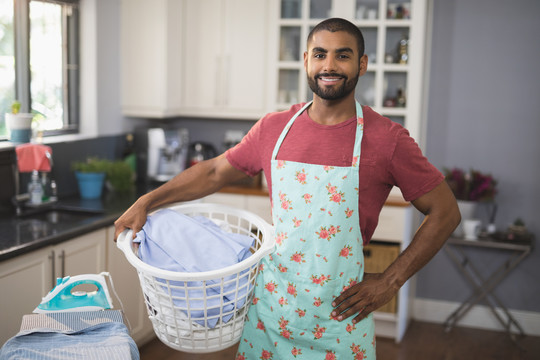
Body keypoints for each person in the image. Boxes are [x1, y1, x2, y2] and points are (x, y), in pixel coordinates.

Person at [114, 18, 460, 360]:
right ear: (307, 61)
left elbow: (445, 211)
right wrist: (147, 201)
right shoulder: (273, 128)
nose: (330, 65)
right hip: (270, 311)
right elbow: (215, 172)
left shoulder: (387, 139)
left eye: (343, 55)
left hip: (340, 319)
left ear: (362, 64)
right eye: (320, 54)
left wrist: (390, 281)